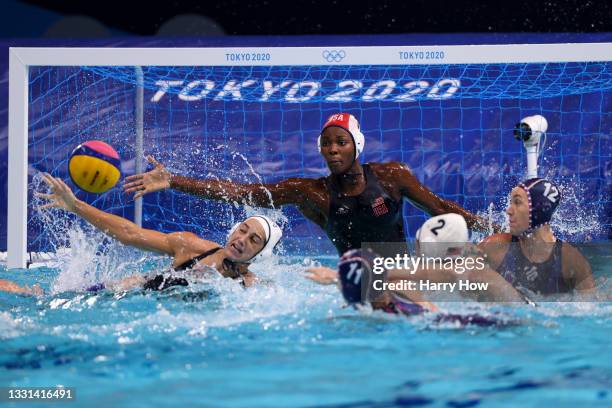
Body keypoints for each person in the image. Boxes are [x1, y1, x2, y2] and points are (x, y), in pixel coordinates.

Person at [124, 113, 495, 257]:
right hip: (356, 283)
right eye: (327, 143)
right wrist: (174, 180)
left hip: (403, 274)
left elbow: (441, 209)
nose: (332, 150)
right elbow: (241, 193)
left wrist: (495, 230)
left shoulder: (392, 177)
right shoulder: (309, 192)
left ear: (357, 146)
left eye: (341, 142)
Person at [0, 174, 282, 296]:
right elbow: (128, 233)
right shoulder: (193, 247)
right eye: (243, 229)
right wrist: (76, 205)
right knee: (40, 301)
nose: (242, 238)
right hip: (125, 295)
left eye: (254, 239)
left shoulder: (250, 285)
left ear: (259, 254)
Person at [307, 214, 530, 318]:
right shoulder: (453, 271)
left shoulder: (472, 271)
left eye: (420, 246)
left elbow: (441, 273)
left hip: (521, 325)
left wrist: (347, 275)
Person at [478, 178, 595, 295]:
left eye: (517, 202)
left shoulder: (572, 261)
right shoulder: (493, 247)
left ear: (538, 209)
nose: (508, 210)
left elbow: (592, 305)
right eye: (511, 203)